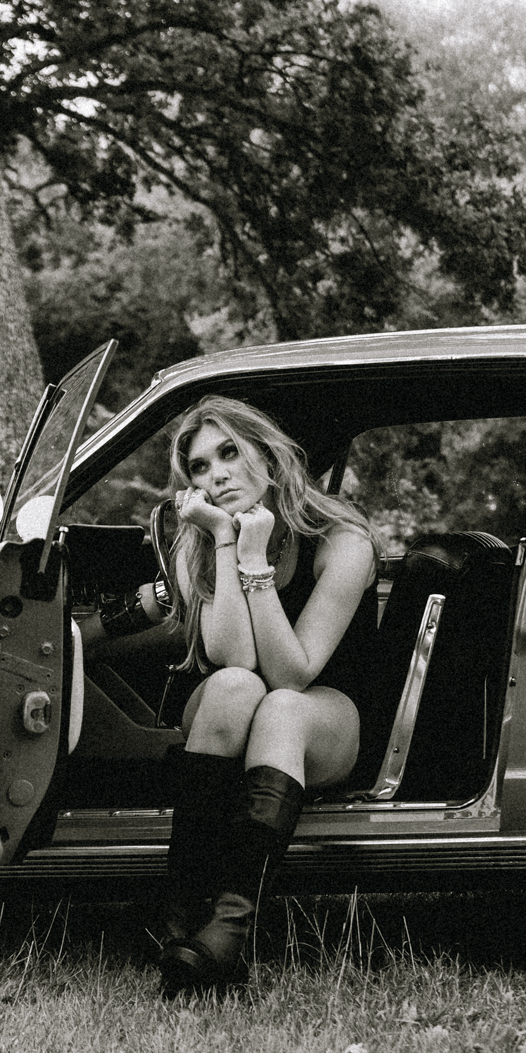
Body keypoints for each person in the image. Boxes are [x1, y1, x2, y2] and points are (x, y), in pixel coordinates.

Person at [119, 395, 377, 995]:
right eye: (201, 468)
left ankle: (231, 929)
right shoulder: (198, 537)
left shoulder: (343, 539)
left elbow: (293, 673)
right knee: (237, 686)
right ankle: (183, 917)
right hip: (227, 711)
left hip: (325, 714)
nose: (218, 475)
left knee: (279, 704)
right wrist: (226, 544)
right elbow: (231, 659)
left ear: (266, 451)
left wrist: (256, 560)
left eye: (230, 453)